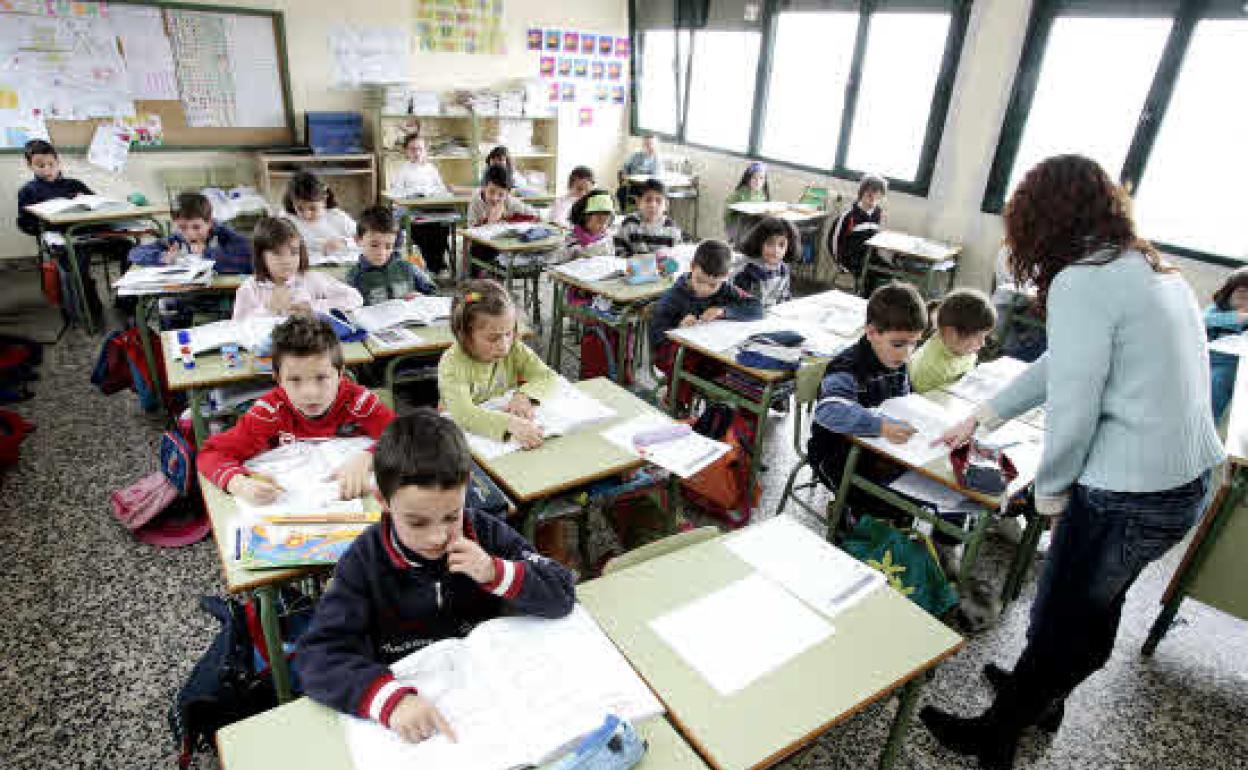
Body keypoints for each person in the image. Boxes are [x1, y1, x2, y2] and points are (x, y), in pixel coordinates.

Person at [920, 155, 1225, 770]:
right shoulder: (1146, 267)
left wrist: (1050, 494)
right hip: (1183, 483)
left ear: (1042, 221)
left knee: (1062, 613)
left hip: (1129, 491)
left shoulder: (1083, 281)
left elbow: (1074, 407)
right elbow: (1066, 362)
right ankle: (1044, 698)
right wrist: (985, 415)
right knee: (1093, 606)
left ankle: (996, 737)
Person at [297, 409, 576, 742]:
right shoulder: (364, 562)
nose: (437, 537)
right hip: (414, 701)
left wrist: (495, 571)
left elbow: (562, 591)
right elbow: (317, 656)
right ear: (383, 501)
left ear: (465, 490)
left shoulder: (484, 532)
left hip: (496, 690)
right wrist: (387, 699)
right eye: (417, 522)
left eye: (451, 516)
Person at [197, 315, 394, 503]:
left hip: (361, 503)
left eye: (321, 378)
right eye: (294, 380)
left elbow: (407, 435)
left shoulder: (359, 402)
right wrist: (239, 484)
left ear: (340, 373)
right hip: (294, 512)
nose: (310, 393)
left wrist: (368, 458)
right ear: (278, 378)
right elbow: (211, 454)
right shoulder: (268, 412)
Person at [807, 282, 926, 514]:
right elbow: (829, 410)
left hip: (878, 450)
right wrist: (879, 426)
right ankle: (845, 522)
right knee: (882, 504)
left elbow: (905, 400)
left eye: (914, 343)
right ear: (871, 333)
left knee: (915, 497)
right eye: (898, 344)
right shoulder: (848, 368)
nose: (906, 353)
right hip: (835, 455)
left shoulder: (895, 360)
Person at [16, 138, 130, 321]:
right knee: (76, 263)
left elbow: (97, 207)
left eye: (51, 164)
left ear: (57, 161)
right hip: (65, 240)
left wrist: (87, 202)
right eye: (40, 165)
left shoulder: (74, 184)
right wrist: (43, 223)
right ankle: (90, 312)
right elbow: (24, 224)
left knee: (128, 248)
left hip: (92, 233)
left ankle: (127, 302)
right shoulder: (29, 191)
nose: (46, 169)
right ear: (29, 166)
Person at [437, 280, 557, 449]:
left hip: (498, 441)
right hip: (461, 438)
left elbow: (546, 376)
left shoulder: (514, 347)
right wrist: (511, 424)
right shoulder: (452, 363)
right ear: (464, 335)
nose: (504, 345)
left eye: (508, 333)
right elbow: (464, 414)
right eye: (493, 338)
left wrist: (524, 395)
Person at [649, 240, 763, 407]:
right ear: (692, 267)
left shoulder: (725, 288)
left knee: (744, 363)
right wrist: (678, 329)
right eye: (700, 280)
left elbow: (756, 308)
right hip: (671, 353)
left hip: (711, 351)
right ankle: (676, 403)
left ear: (726, 277)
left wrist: (723, 311)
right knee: (687, 358)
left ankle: (726, 412)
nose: (704, 289)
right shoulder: (673, 296)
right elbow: (656, 336)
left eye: (712, 285)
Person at [232, 217, 362, 320]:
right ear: (261, 256)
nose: (287, 261)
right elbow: (237, 328)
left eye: (294, 252)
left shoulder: (311, 279)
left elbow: (355, 298)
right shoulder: (249, 289)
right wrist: (269, 310)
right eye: (277, 254)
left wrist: (312, 306)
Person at [128, 191, 252, 274]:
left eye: (196, 227)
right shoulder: (176, 240)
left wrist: (207, 253)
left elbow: (250, 261)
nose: (190, 234)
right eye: (182, 227)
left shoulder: (225, 236)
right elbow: (135, 253)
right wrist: (162, 257)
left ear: (209, 222)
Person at [909, 288, 996, 394]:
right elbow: (922, 402)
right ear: (951, 333)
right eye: (978, 337)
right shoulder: (929, 368)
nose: (982, 344)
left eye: (985, 337)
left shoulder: (962, 349)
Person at [346, 205, 437, 305]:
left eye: (388, 246)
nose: (381, 253)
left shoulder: (408, 268)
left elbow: (434, 292)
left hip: (410, 319)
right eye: (374, 245)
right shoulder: (354, 278)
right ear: (358, 240)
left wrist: (422, 297)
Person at [388, 134, 453, 274]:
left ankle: (437, 264)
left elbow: (441, 190)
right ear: (406, 151)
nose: (416, 153)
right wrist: (411, 195)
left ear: (425, 151)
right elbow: (395, 193)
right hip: (412, 212)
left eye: (420, 149)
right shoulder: (403, 170)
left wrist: (435, 194)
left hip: (432, 210)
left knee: (442, 227)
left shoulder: (431, 169)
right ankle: (432, 265)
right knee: (423, 229)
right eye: (412, 149)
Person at [1204, 267, 1248, 422]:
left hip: (1232, 366)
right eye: (1242, 293)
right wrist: (1236, 318)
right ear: (1228, 292)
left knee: (1218, 381)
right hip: (1205, 358)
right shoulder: (1217, 310)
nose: (1246, 300)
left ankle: (1207, 424)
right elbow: (1202, 321)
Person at [280, 171, 357, 258]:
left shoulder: (337, 216)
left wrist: (344, 242)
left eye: (313, 208)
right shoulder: (287, 219)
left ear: (324, 199)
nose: (306, 215)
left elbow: (363, 237)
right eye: (300, 209)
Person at [732, 216, 797, 311]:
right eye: (770, 243)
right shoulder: (748, 271)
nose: (776, 250)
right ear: (759, 243)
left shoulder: (783, 269)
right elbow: (738, 304)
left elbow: (784, 296)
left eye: (781, 245)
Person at [828, 174, 887, 277]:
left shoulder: (877, 214)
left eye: (877, 194)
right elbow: (833, 241)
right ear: (861, 193)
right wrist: (839, 262)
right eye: (869, 193)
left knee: (891, 273)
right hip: (850, 259)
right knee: (869, 276)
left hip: (869, 256)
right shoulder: (848, 216)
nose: (873, 197)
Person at [615, 178, 682, 256]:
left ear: (666, 205)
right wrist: (632, 258)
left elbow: (676, 254)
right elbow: (618, 249)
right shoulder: (630, 223)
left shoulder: (671, 228)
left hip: (660, 267)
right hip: (633, 266)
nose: (653, 205)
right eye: (648, 200)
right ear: (639, 202)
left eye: (658, 201)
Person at [723, 162, 770, 244]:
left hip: (754, 225)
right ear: (748, 178)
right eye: (754, 178)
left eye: (761, 178)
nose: (758, 181)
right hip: (738, 226)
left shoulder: (763, 195)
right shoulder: (739, 194)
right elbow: (727, 213)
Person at [564, 188, 616, 260]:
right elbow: (575, 256)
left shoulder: (606, 236)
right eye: (599, 221)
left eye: (606, 223)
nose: (603, 227)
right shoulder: (572, 238)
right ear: (585, 217)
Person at [618, 135, 662, 211]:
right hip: (633, 184)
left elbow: (657, 175)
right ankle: (624, 213)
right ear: (643, 145)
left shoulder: (657, 159)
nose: (649, 146)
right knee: (621, 192)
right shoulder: (636, 155)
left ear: (655, 146)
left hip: (648, 186)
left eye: (651, 144)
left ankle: (642, 212)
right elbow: (625, 166)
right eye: (646, 144)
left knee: (644, 195)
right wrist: (624, 174)